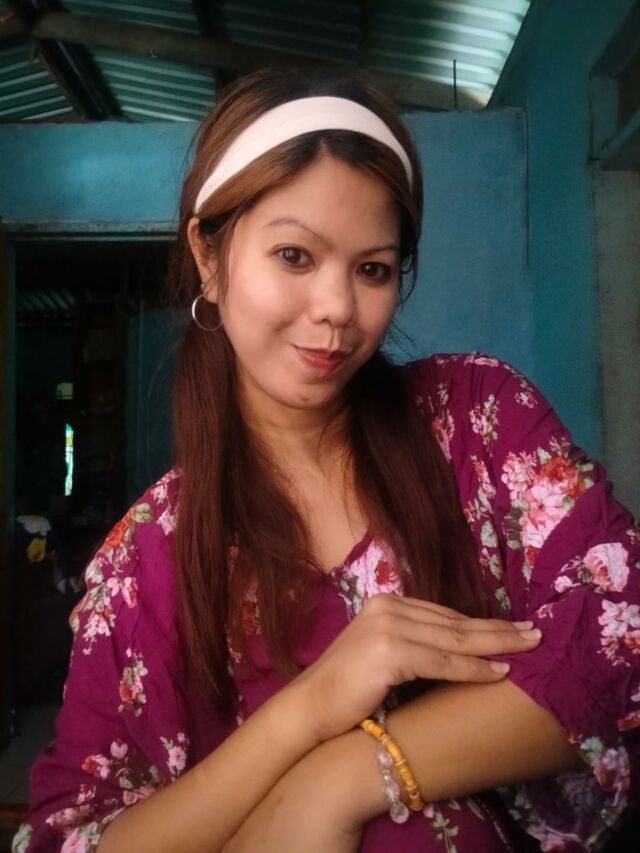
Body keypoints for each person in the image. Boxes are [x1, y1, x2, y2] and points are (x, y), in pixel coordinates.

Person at [13, 66, 639, 853]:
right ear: (208, 256)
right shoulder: (145, 564)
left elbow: (621, 633)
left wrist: (345, 775)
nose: (338, 307)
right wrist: (307, 710)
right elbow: (74, 837)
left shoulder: (479, 422)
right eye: (295, 255)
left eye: (372, 269)